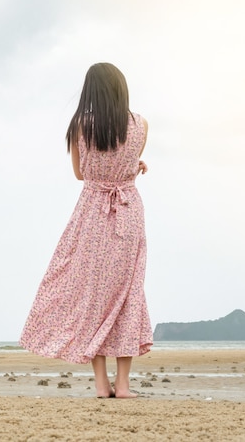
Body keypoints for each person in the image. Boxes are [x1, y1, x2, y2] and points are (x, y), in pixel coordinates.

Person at [19, 62, 153, 399]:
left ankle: (101, 384)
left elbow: (81, 174)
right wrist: (133, 167)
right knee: (128, 293)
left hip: (93, 213)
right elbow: (127, 161)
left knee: (92, 295)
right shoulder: (141, 124)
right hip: (128, 213)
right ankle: (123, 385)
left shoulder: (81, 126)